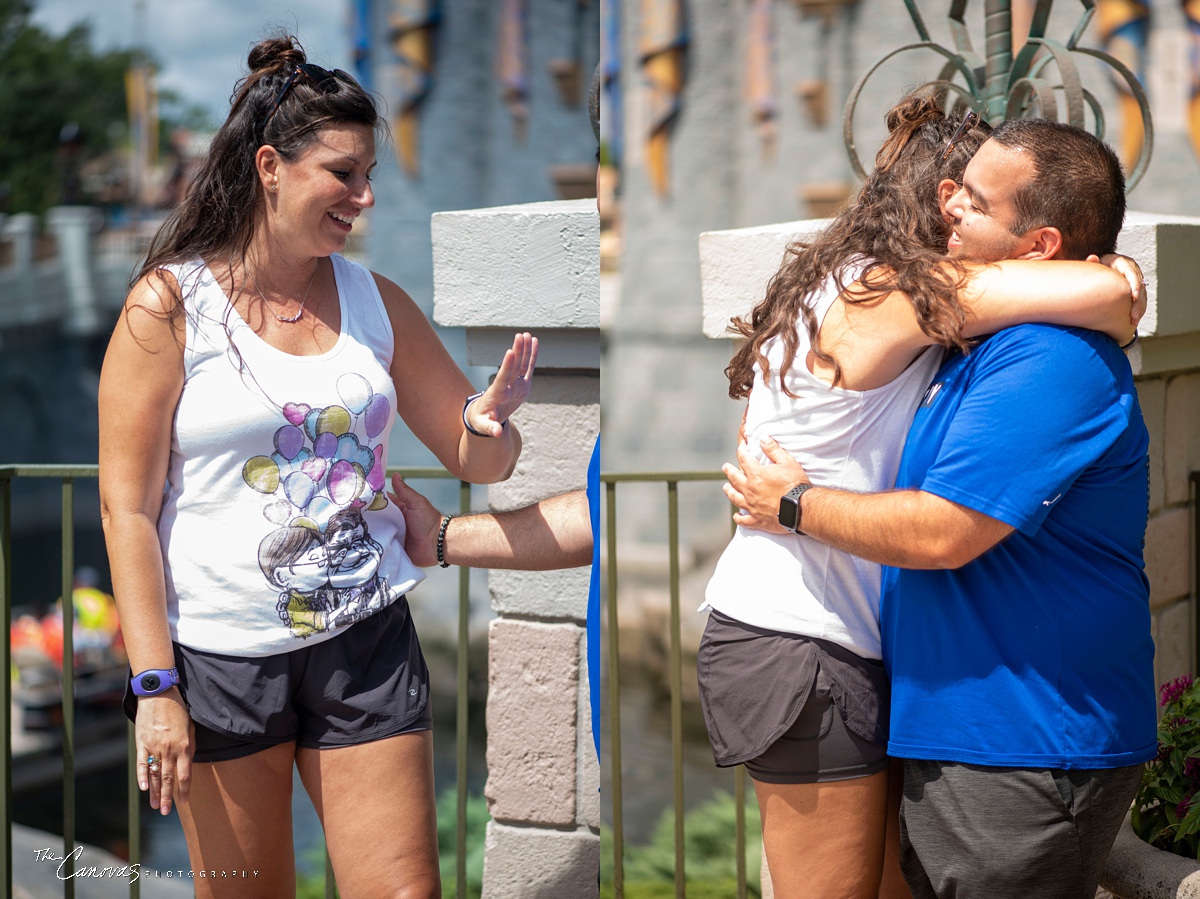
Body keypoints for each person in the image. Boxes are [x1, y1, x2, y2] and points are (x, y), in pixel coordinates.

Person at [98, 36, 536, 898]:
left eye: (368, 174)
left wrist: (490, 421)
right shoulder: (170, 306)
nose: (365, 197)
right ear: (270, 166)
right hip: (220, 658)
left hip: (364, 639)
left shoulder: (379, 303)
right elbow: (127, 511)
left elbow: (477, 455)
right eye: (343, 173)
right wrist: (155, 684)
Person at [700, 88, 1145, 899]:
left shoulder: (893, 305)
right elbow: (1039, 295)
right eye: (953, 192)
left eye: (972, 201)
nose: (954, 211)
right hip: (808, 639)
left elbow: (947, 521)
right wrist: (1112, 286)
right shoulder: (885, 296)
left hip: (849, 653)